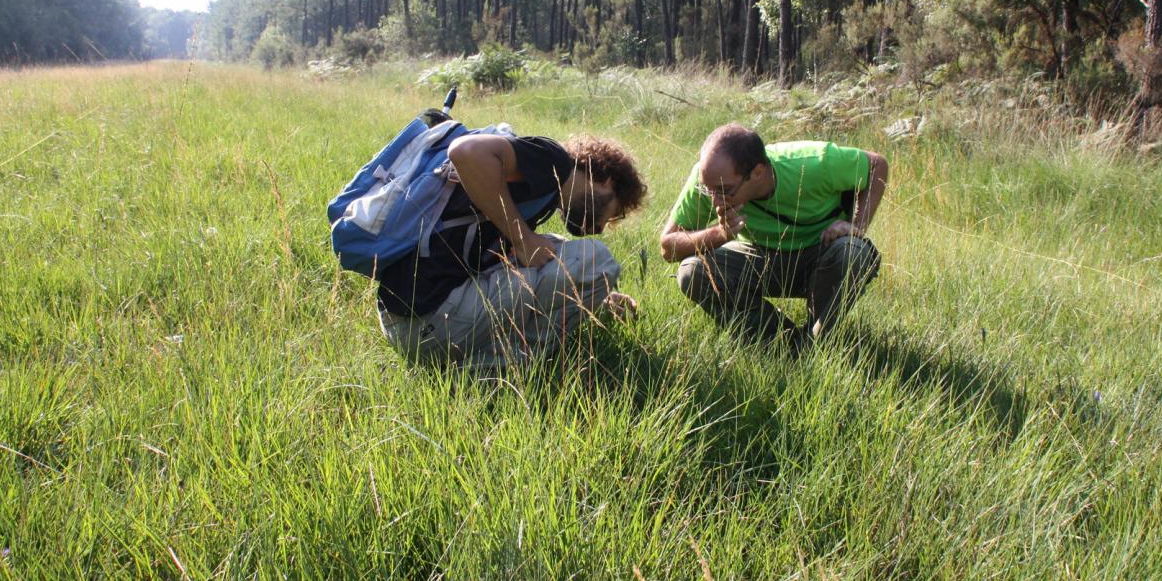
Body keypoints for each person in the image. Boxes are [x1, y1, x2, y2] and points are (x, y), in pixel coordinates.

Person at [377, 131, 646, 371]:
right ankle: (506, 367)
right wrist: (523, 240)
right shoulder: (555, 161)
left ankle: (486, 359)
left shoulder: (535, 193)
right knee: (596, 259)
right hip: (427, 323)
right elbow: (465, 151)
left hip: (408, 327)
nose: (600, 228)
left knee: (553, 246)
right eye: (615, 214)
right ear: (608, 182)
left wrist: (600, 300)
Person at [659, 123, 888, 348]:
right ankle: (781, 343)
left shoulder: (814, 162)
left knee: (853, 251)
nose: (715, 199)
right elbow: (668, 247)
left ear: (757, 172)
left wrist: (855, 226)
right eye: (707, 190)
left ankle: (816, 343)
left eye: (725, 191)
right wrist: (720, 234)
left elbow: (875, 165)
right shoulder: (710, 179)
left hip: (821, 254)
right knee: (692, 271)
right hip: (758, 256)